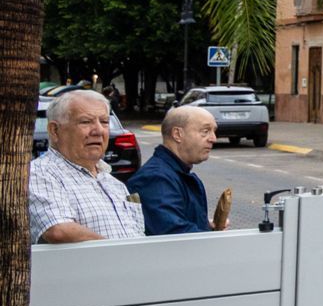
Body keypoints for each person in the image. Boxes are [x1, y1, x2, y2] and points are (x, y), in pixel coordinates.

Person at [28, 89, 145, 243]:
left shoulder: (113, 183)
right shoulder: (39, 173)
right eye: (85, 122)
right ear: (55, 130)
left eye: (104, 122)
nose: (98, 131)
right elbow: (59, 230)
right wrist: (122, 255)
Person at [128, 104, 227, 233]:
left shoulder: (176, 173)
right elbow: (174, 234)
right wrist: (211, 238)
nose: (213, 139)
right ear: (177, 134)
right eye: (205, 131)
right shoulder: (155, 178)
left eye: (214, 131)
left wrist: (207, 227)